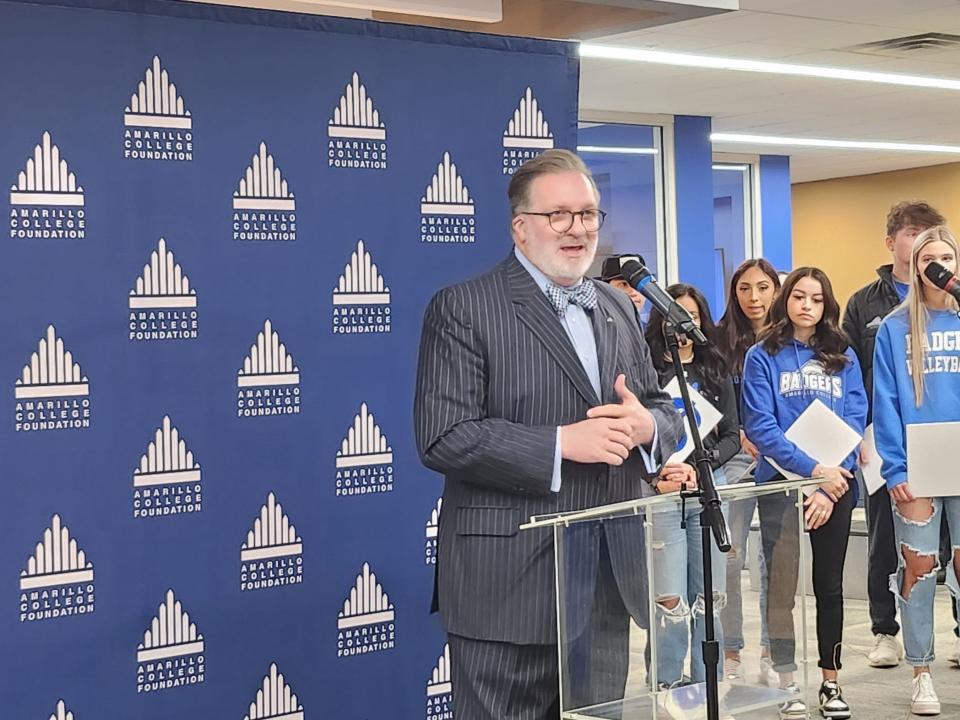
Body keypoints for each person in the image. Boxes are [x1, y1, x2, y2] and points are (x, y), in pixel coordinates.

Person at [414, 148, 683, 720]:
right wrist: (561, 444)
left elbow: (661, 406)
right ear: (520, 227)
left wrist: (647, 426)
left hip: (607, 583)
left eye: (587, 214)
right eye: (557, 215)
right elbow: (443, 435)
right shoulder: (463, 307)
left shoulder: (614, 302)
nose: (577, 229)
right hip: (507, 585)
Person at [742, 267, 867, 720]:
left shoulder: (844, 355)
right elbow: (761, 425)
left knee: (828, 586)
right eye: (799, 296)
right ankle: (787, 681)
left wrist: (829, 486)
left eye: (816, 298)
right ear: (786, 300)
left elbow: (855, 419)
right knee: (781, 589)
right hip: (780, 485)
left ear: (827, 305)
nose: (807, 305)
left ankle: (831, 682)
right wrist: (812, 473)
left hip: (833, 488)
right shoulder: (762, 356)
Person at [842, 201, 947, 669]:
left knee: (952, 552)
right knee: (897, 547)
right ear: (896, 245)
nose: (933, 261)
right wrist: (880, 452)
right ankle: (891, 636)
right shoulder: (874, 309)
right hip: (892, 443)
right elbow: (865, 382)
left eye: (937, 245)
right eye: (913, 237)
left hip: (952, 445)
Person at [873, 225, 960, 717]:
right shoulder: (894, 328)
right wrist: (894, 465)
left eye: (947, 256)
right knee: (919, 569)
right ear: (914, 266)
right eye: (929, 257)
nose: (938, 264)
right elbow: (885, 400)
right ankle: (921, 672)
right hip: (917, 460)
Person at [643, 283, 740, 687]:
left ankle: (706, 686)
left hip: (708, 488)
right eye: (675, 315)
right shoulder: (644, 370)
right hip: (663, 491)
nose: (684, 325)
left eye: (692, 317)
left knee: (709, 599)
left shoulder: (715, 371)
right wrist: (660, 471)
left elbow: (733, 436)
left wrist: (705, 466)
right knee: (670, 600)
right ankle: (665, 687)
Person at [715, 259, 781, 683]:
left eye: (762, 287)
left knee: (775, 559)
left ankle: (773, 650)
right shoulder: (719, 341)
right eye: (744, 288)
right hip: (735, 462)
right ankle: (731, 650)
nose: (753, 297)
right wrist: (739, 433)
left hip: (778, 462)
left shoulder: (789, 338)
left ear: (775, 289)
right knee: (729, 559)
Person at [600, 253, 648, 322]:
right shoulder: (595, 328)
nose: (634, 292)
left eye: (638, 284)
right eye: (623, 284)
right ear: (605, 290)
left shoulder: (653, 329)